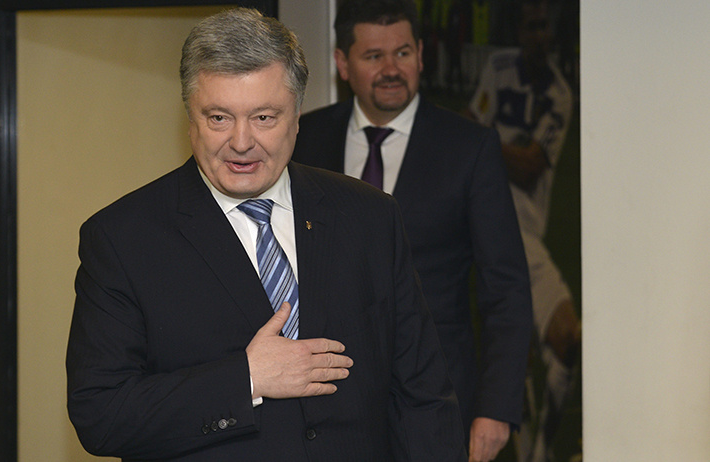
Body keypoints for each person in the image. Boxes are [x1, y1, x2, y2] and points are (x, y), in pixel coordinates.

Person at [66, 7, 466, 462]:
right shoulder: (123, 238)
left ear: (297, 116)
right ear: (189, 117)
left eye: (264, 117)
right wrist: (247, 379)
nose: (241, 142)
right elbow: (102, 416)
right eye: (219, 118)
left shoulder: (370, 217)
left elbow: (423, 399)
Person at [291, 1, 533, 461]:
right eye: (373, 56)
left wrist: (497, 409)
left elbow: (506, 288)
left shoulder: (470, 147)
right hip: (325, 404)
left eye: (402, 53)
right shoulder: (304, 140)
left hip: (439, 401)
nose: (391, 69)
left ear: (421, 55)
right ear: (343, 63)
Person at [466, 1, 579, 461]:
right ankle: (540, 451)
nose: (539, 36)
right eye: (531, 27)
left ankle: (534, 440)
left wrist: (487, 142)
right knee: (566, 336)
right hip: (498, 225)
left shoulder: (560, 93)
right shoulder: (499, 67)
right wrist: (500, 147)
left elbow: (532, 165)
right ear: (519, 32)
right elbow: (471, 122)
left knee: (534, 345)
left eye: (544, 27)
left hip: (526, 229)